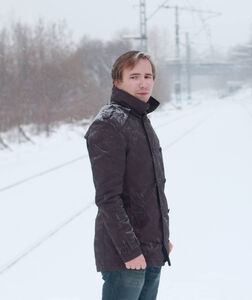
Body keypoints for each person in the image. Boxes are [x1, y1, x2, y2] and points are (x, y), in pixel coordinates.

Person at [84, 50, 172, 300]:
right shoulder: (109, 124)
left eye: (148, 75)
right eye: (134, 76)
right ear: (117, 82)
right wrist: (130, 250)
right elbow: (108, 198)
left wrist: (163, 239)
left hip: (152, 249)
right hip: (125, 256)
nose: (143, 82)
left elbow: (152, 189)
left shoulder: (140, 120)